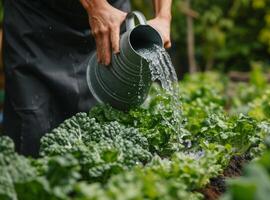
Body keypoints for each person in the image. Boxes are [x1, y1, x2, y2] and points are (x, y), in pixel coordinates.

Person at [2, 0, 172, 157]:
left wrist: (163, 17)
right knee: (34, 134)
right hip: (36, 19)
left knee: (112, 136)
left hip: (114, 16)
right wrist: (96, 6)